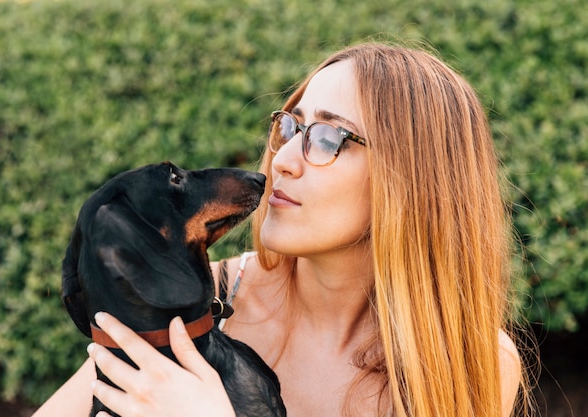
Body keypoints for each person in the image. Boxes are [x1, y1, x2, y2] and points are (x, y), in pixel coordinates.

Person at [34, 42, 529, 417]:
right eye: (291, 126)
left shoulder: (470, 360)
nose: (284, 159)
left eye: (329, 137)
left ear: (416, 178)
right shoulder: (204, 307)